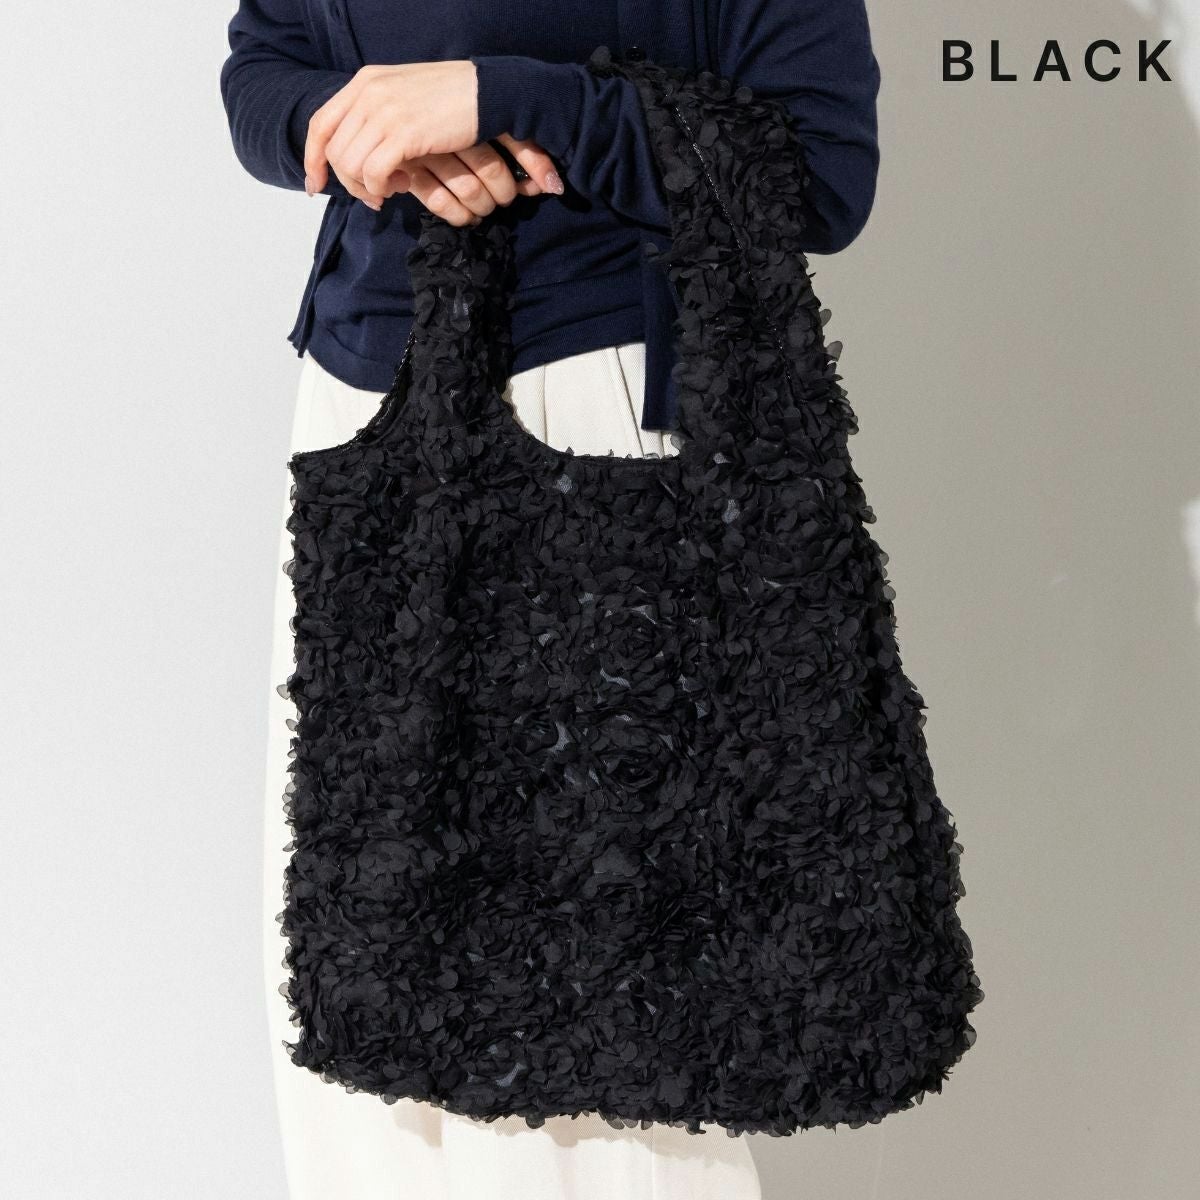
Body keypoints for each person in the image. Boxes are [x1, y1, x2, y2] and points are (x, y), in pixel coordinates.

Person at [220, 3, 881, 1197]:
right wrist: (350, 126)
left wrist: (509, 99)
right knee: (356, 992)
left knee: (600, 1025)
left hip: (593, 412)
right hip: (361, 404)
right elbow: (268, 62)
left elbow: (819, 175)